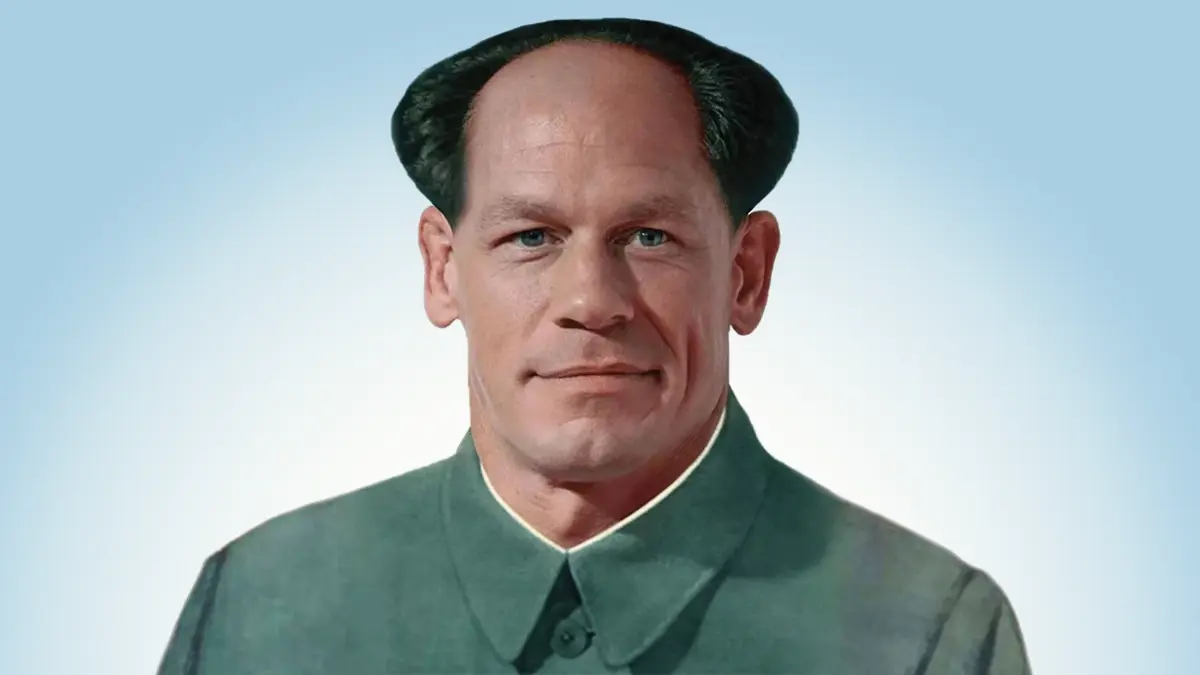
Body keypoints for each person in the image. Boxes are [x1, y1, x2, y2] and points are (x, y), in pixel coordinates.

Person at [157, 17, 1031, 675]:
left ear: (746, 273)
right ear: (442, 268)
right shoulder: (260, 605)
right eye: (531, 237)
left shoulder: (924, 632)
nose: (590, 302)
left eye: (649, 236)